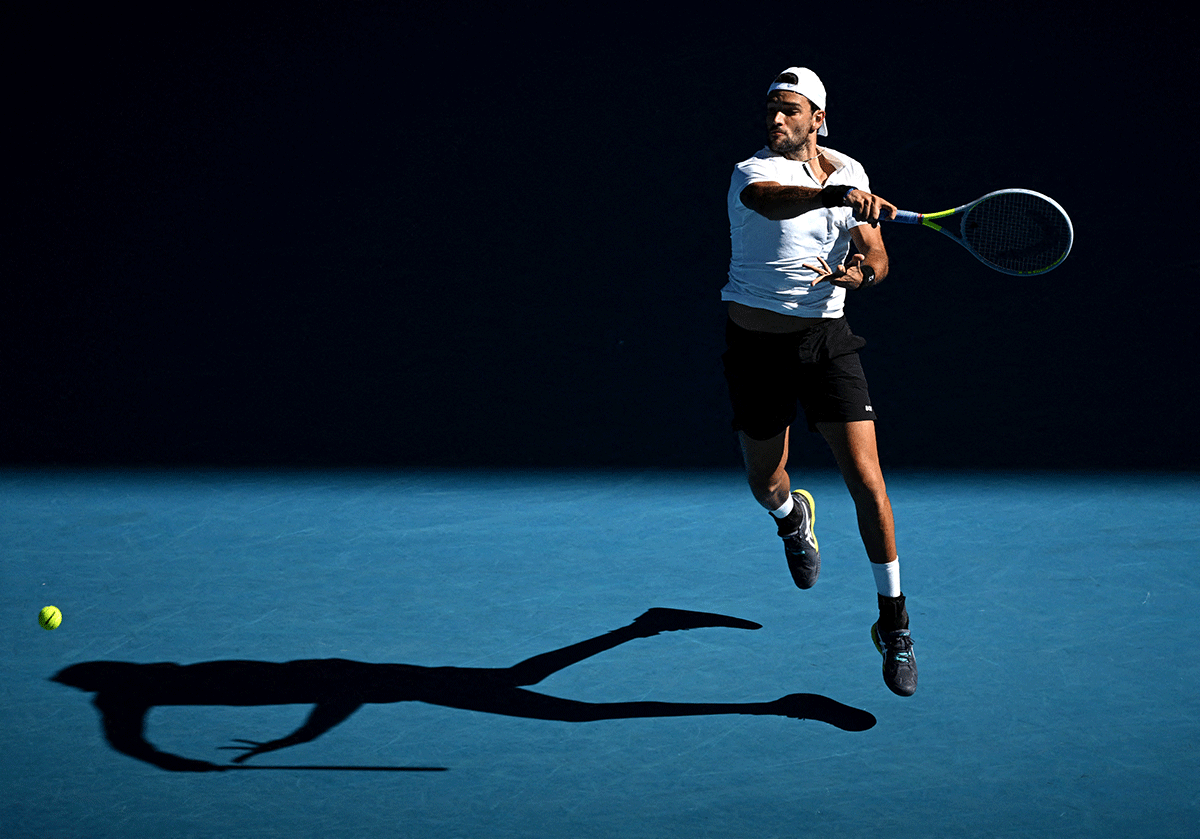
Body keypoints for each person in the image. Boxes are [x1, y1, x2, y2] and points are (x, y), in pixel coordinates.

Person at [721, 66, 916, 696]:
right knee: (763, 478)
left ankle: (894, 622)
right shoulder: (752, 173)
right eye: (771, 109)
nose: (775, 119)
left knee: (867, 479)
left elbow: (876, 259)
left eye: (789, 110)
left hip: (826, 341)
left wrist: (861, 274)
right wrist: (834, 199)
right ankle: (790, 518)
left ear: (817, 119)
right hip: (756, 347)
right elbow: (772, 205)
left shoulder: (851, 172)